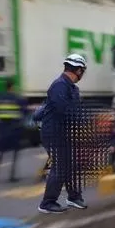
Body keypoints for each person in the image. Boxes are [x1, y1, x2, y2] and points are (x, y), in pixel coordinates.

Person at [38, 54, 88, 214]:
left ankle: (73, 197)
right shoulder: (60, 85)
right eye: (82, 71)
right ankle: (47, 202)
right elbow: (64, 111)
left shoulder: (72, 88)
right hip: (53, 133)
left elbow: (75, 111)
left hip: (65, 133)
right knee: (61, 166)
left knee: (70, 164)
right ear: (79, 70)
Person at [0, 79, 28, 183]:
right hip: (14, 129)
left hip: (2, 129)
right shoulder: (17, 98)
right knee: (14, 153)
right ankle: (11, 175)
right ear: (12, 87)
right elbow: (24, 111)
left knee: (1, 153)